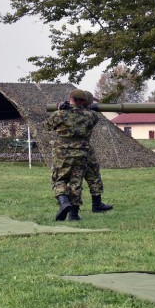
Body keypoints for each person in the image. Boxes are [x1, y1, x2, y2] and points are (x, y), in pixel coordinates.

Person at [45, 89, 99, 221]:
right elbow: (91, 117)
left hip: (62, 153)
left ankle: (64, 203)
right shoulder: (91, 116)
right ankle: (74, 215)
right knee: (76, 182)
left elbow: (46, 126)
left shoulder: (60, 114)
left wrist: (59, 108)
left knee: (59, 179)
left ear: (70, 98)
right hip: (82, 153)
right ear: (84, 101)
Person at [80, 91, 113, 213]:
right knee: (93, 177)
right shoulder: (91, 115)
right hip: (86, 149)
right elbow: (93, 117)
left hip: (67, 152)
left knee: (73, 180)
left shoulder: (63, 113)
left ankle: (71, 209)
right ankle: (97, 204)